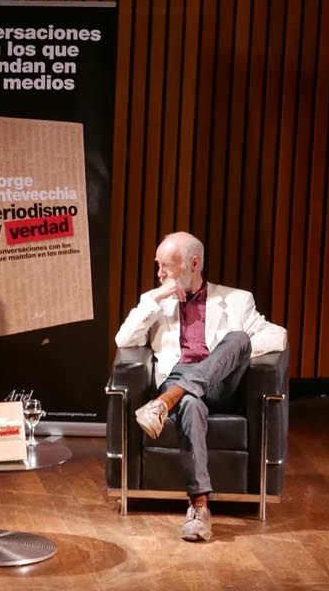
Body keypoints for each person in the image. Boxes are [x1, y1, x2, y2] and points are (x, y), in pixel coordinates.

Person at [114, 231, 286, 541]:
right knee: (191, 403)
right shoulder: (156, 302)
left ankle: (164, 403)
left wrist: (230, 356)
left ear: (194, 264)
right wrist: (154, 300)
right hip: (176, 380)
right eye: (158, 266)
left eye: (167, 267)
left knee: (239, 338)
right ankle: (198, 506)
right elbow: (123, 341)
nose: (160, 275)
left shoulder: (236, 300)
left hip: (219, 385)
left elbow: (278, 336)